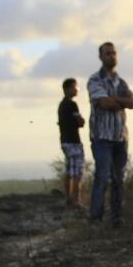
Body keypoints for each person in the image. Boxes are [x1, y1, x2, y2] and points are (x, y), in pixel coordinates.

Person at [87, 42, 133, 227]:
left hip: (120, 138)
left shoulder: (121, 82)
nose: (112, 56)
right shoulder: (94, 80)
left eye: (114, 53)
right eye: (108, 53)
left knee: (118, 179)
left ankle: (117, 218)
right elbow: (103, 103)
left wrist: (114, 99)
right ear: (100, 56)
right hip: (102, 137)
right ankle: (96, 219)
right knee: (102, 178)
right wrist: (121, 102)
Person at [57, 78, 86, 208]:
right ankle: (76, 201)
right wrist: (81, 120)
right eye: (74, 87)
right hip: (73, 142)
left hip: (64, 141)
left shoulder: (61, 105)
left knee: (69, 171)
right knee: (77, 172)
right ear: (67, 89)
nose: (76, 90)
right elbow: (80, 122)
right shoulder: (72, 105)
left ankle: (68, 198)